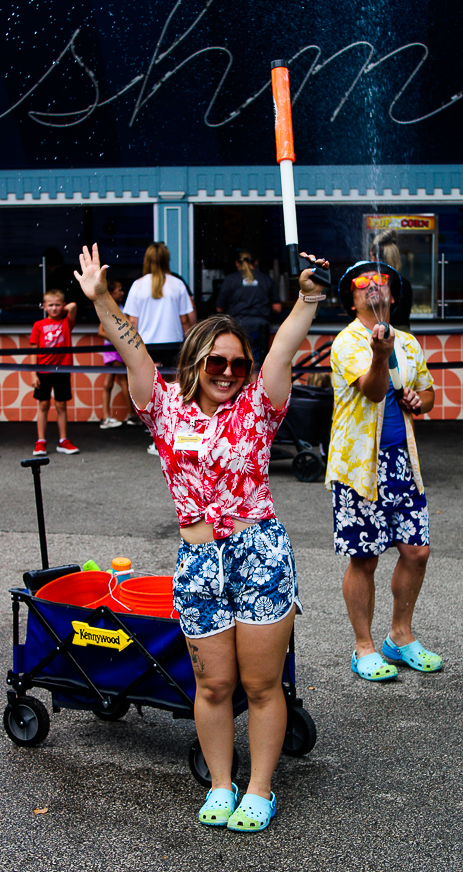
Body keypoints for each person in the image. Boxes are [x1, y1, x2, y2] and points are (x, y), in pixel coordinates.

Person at [74, 242, 329, 833]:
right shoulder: (164, 410)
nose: (226, 372)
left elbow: (284, 345)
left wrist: (308, 299)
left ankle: (260, 790)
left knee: (263, 685)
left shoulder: (260, 406)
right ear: (193, 362)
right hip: (198, 561)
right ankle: (221, 783)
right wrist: (102, 299)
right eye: (215, 362)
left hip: (260, 553)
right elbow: (131, 350)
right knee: (214, 685)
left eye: (236, 364)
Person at [326, 260, 441, 683]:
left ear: (392, 294)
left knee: (417, 551)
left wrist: (418, 400)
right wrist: (380, 355)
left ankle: (400, 636)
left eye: (381, 282)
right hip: (359, 467)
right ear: (351, 298)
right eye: (363, 283)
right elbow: (374, 391)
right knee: (365, 558)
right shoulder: (347, 342)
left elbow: (429, 393)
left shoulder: (408, 342)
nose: (373, 287)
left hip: (402, 462)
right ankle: (364, 647)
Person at [124, 242, 194, 453]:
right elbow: (185, 321)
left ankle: (157, 437)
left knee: (154, 393)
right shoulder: (177, 285)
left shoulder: (137, 285)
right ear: (167, 260)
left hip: (147, 346)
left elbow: (132, 323)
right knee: (178, 392)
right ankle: (177, 434)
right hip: (173, 344)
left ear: (146, 260)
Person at [30, 288, 79, 456]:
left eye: (57, 305)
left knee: (61, 405)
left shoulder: (66, 322)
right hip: (43, 370)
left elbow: (73, 307)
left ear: (62, 305)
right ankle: (41, 441)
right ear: (44, 306)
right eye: (50, 305)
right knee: (43, 404)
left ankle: (63, 440)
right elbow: (34, 350)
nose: (54, 308)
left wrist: (62, 309)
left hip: (62, 370)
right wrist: (33, 372)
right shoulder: (38, 325)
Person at [216, 250, 282, 367]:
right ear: (255, 263)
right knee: (257, 364)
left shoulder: (230, 280)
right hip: (260, 328)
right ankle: (255, 385)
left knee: (237, 362)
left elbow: (219, 309)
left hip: (237, 327)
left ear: (237, 263)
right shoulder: (266, 279)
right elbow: (277, 308)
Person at [97, 279, 140, 428]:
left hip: (116, 349)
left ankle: (105, 417)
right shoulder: (108, 308)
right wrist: (119, 340)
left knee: (108, 383)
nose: (122, 293)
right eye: (119, 290)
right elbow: (101, 331)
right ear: (110, 293)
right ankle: (131, 415)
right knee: (123, 381)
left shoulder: (120, 307)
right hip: (113, 349)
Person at [369, 229, 413, 333]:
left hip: (383, 336)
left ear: (375, 258)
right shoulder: (404, 284)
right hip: (405, 338)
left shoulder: (374, 284)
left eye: (370, 257)